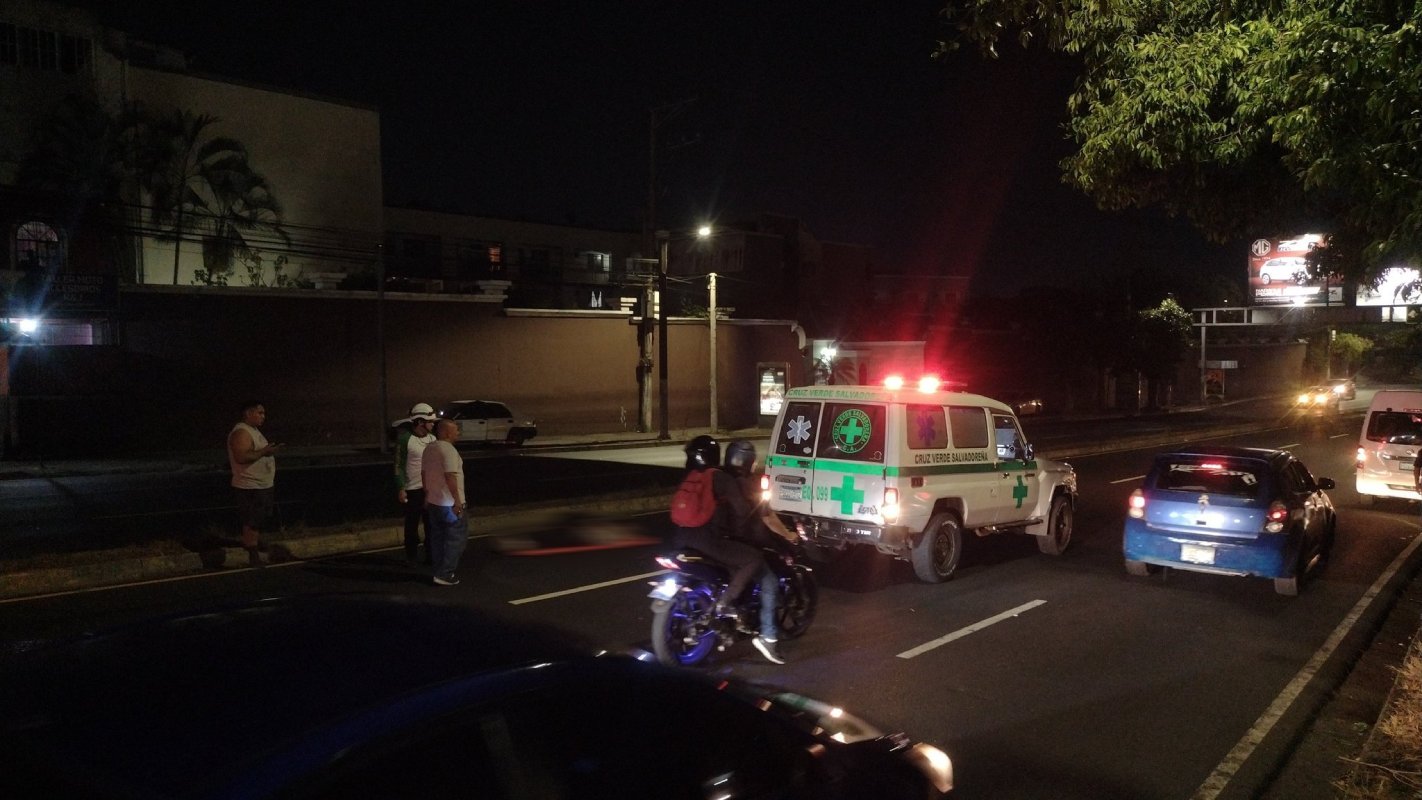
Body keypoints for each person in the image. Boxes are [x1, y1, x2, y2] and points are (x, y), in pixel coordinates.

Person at [672, 435, 784, 664]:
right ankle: (728, 604)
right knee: (753, 560)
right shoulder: (722, 478)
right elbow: (743, 512)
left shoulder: (693, 476)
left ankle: (727, 607)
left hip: (680, 538)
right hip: (710, 541)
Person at [724, 439, 799, 664]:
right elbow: (767, 517)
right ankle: (767, 637)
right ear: (749, 462)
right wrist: (788, 535)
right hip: (741, 546)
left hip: (716, 542)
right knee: (769, 583)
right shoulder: (751, 485)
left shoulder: (717, 478)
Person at [227, 401, 283, 567]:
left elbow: (255, 453)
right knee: (252, 521)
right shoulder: (241, 432)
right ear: (248, 413)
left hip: (262, 485)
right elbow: (242, 457)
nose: (263, 416)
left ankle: (253, 545)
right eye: (260, 413)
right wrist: (265, 451)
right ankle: (252, 554)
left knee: (259, 519)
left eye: (263, 413)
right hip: (250, 486)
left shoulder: (254, 431)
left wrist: (268, 452)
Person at [421, 419, 467, 586]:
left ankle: (438, 570)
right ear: (447, 432)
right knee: (456, 539)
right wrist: (458, 501)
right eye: (456, 430)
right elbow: (450, 476)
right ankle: (445, 574)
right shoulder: (449, 450)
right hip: (448, 504)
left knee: (437, 538)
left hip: (433, 502)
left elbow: (424, 474)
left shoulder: (429, 448)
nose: (458, 434)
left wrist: (426, 496)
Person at [393, 403, 438, 564]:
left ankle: (431, 556)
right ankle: (411, 556)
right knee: (411, 525)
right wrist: (401, 488)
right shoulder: (405, 439)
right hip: (412, 490)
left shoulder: (433, 439)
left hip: (430, 490)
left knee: (431, 525)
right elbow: (398, 465)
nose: (433, 424)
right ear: (420, 422)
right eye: (430, 421)